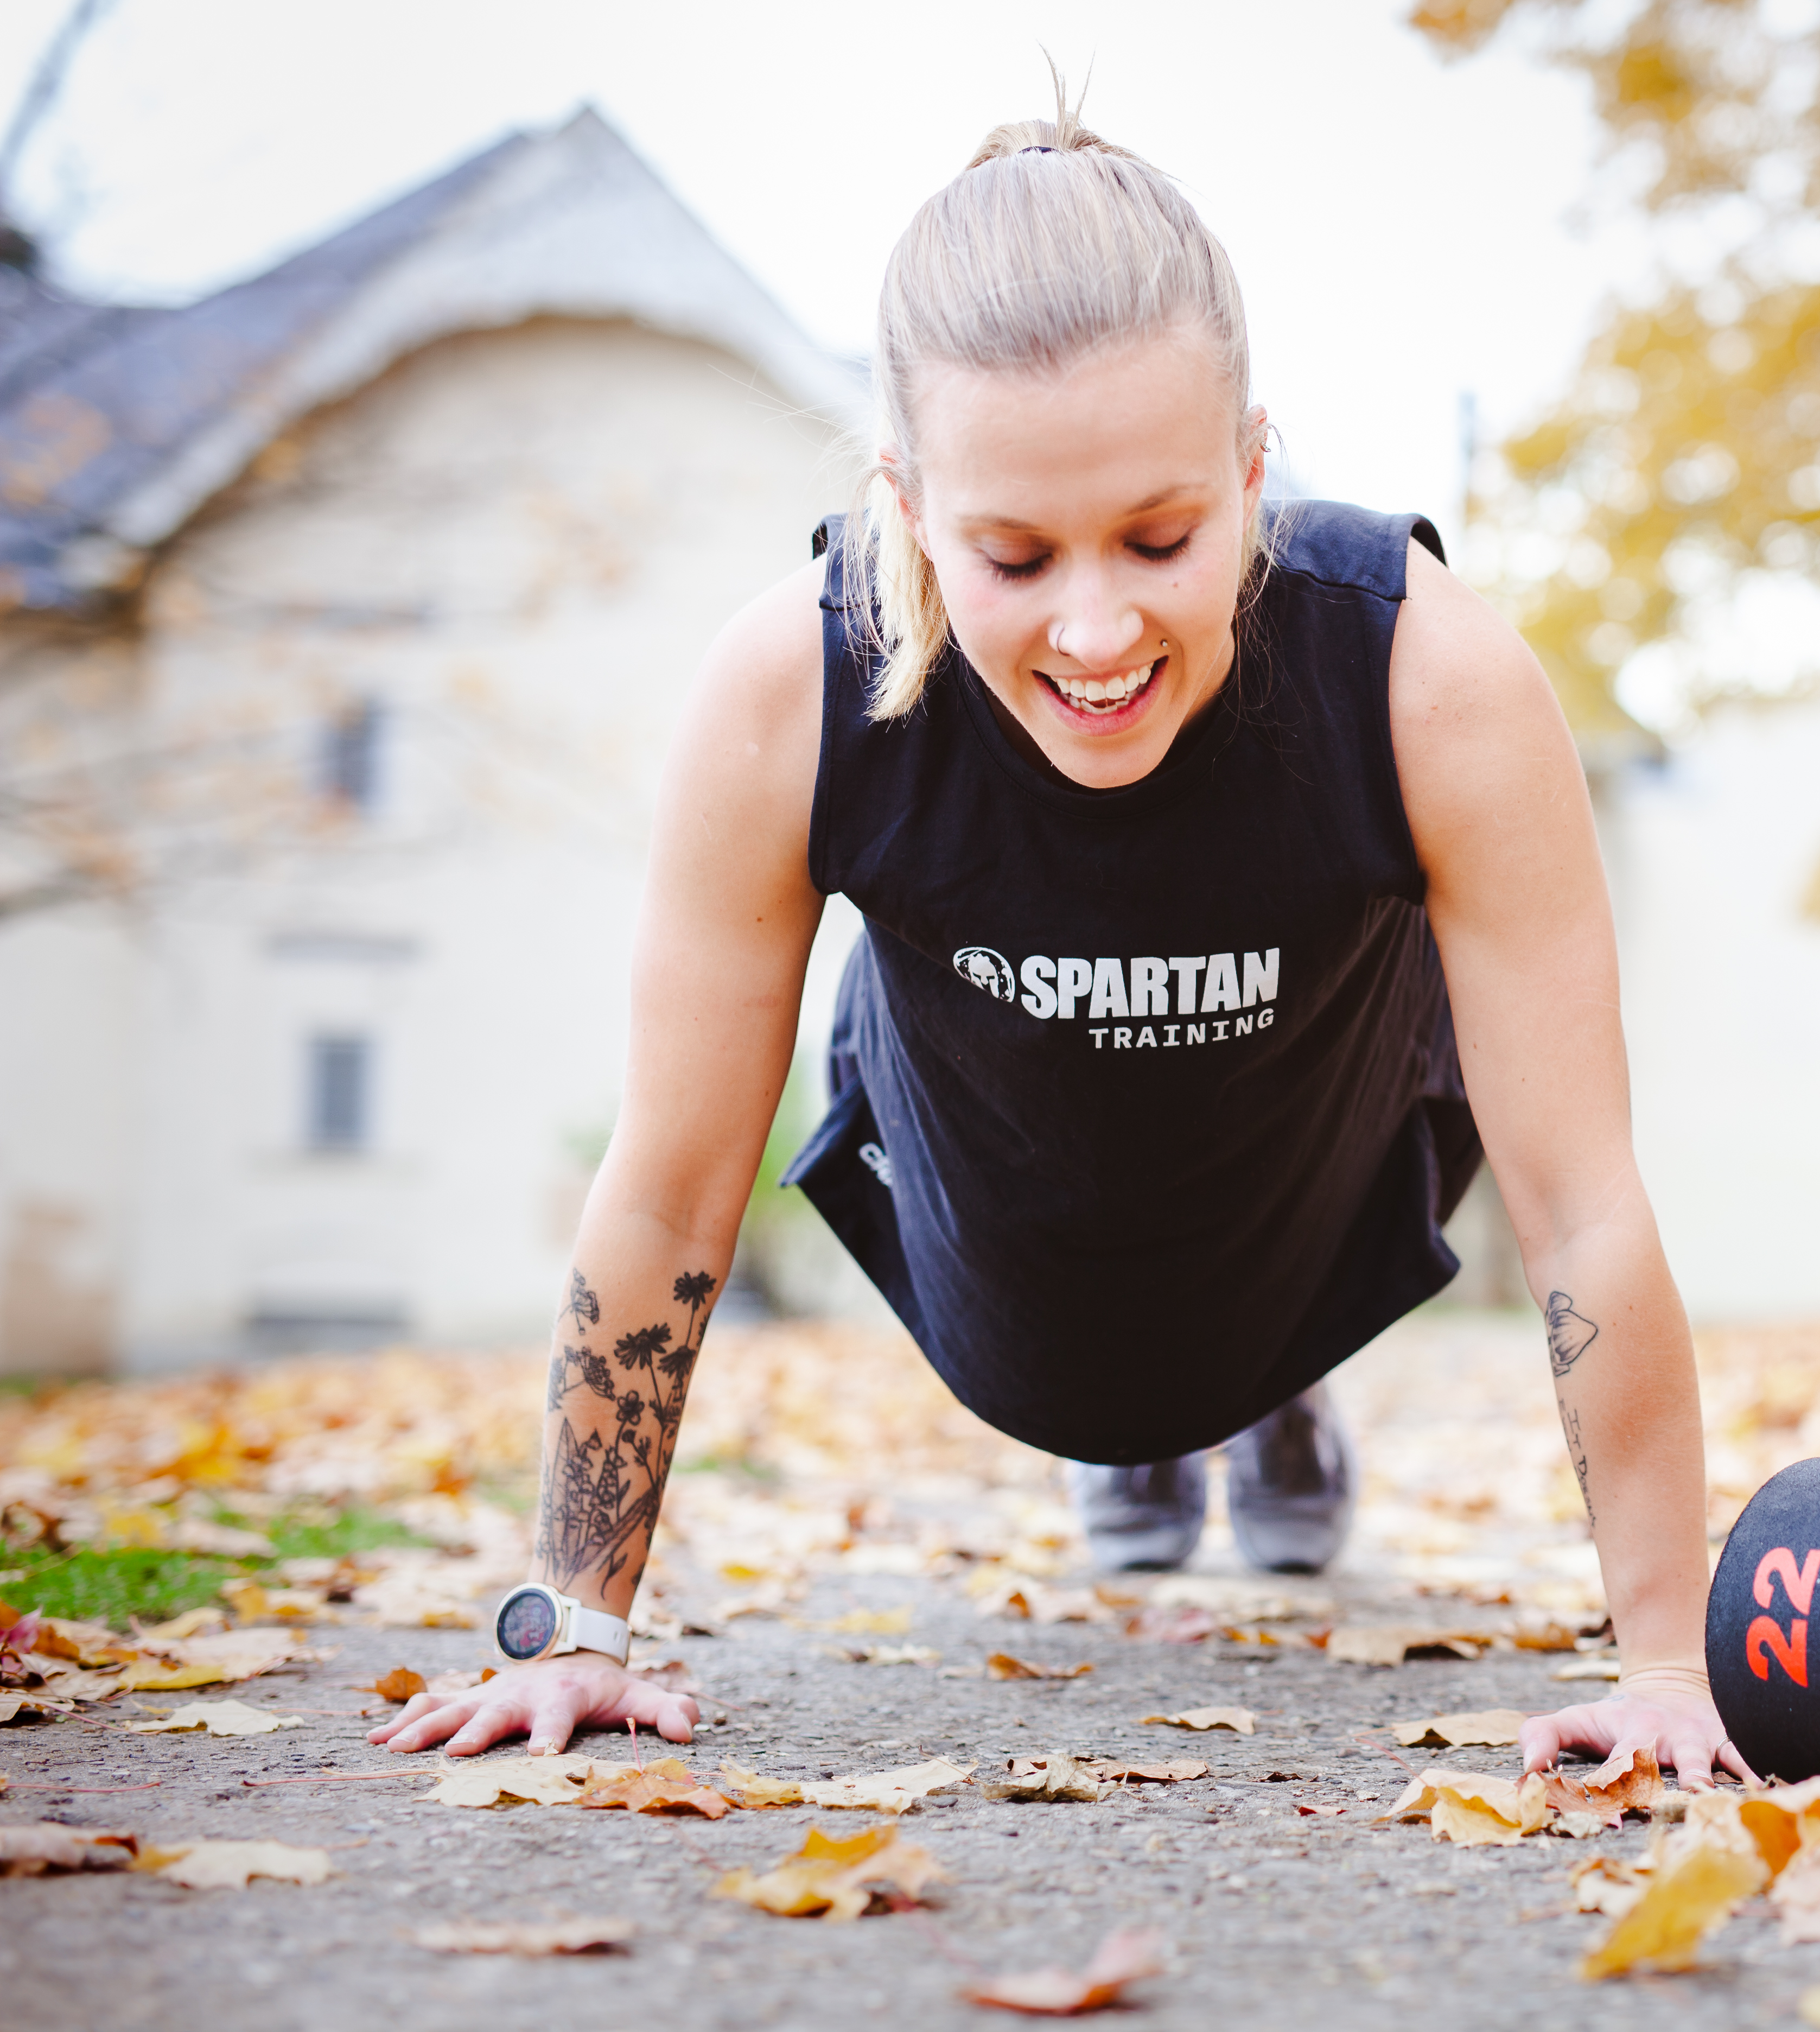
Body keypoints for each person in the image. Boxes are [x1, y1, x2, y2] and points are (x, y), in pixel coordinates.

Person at [372, 100, 1748, 1789]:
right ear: (910, 507)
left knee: (1351, 1135)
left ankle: (1272, 1388)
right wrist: (569, 1625)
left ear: (1256, 465)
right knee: (1099, 1378)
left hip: (1319, 1191)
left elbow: (1587, 1194)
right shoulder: (790, 688)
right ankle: (1172, 1424)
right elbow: (665, 1187)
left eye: (1164, 540)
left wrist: (1669, 1661)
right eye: (1013, 557)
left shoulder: (1423, 675)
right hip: (1001, 1244)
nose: (1099, 631)